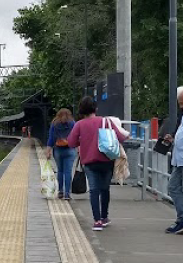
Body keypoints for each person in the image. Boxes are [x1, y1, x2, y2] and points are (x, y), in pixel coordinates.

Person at [67, 96, 128, 231]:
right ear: (96, 108)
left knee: (94, 190)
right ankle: (105, 217)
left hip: (89, 161)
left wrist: (82, 142)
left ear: (81, 110)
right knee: (105, 189)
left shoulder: (79, 125)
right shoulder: (106, 121)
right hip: (107, 160)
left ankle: (97, 221)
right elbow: (121, 137)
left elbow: (71, 142)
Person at [162, 87, 183, 234]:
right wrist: (173, 138)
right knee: (173, 187)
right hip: (179, 158)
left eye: (182, 103)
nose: (181, 106)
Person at [45, 108, 76, 199]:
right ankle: (67, 194)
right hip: (70, 149)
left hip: (58, 150)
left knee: (60, 171)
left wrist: (48, 151)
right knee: (68, 171)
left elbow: (51, 138)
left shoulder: (55, 123)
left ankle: (60, 192)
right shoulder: (72, 123)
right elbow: (76, 137)